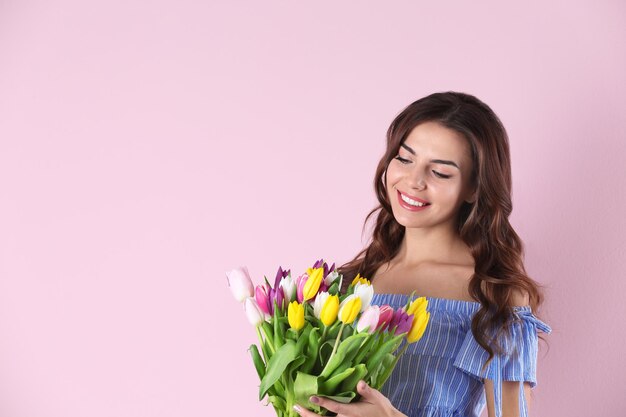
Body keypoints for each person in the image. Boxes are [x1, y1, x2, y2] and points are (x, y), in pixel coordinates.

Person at [293, 91, 551, 417]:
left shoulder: (496, 296)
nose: (413, 181)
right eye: (404, 158)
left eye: (440, 172)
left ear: (474, 188)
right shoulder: (347, 285)